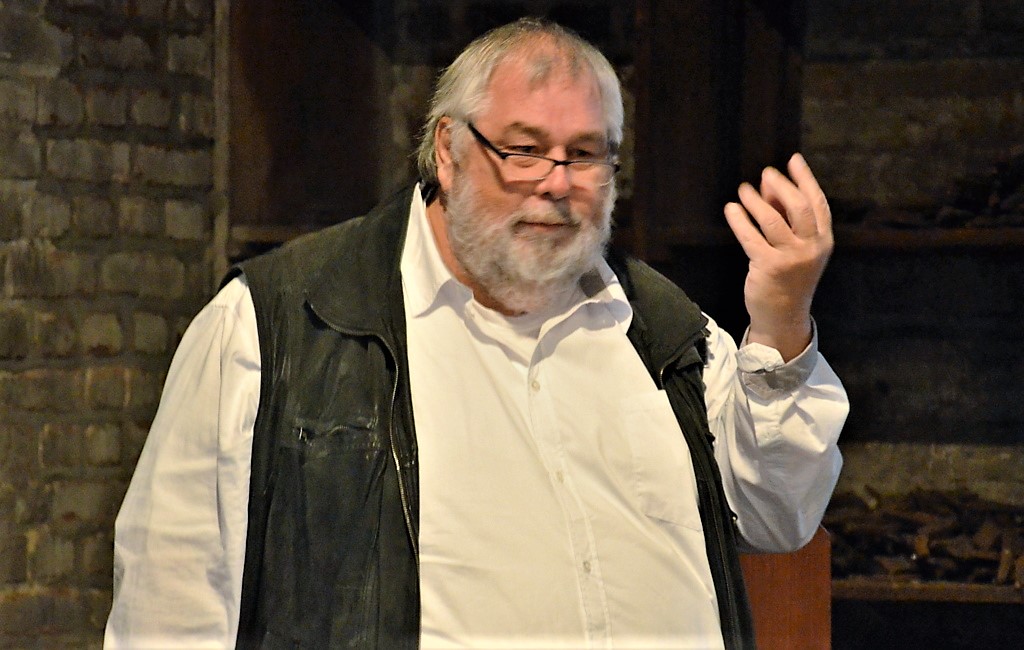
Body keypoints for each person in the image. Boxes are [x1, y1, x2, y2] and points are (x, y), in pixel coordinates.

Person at [105, 17, 847, 650]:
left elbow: (779, 518)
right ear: (448, 150)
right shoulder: (276, 326)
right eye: (524, 149)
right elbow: (171, 605)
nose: (557, 183)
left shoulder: (661, 330)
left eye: (585, 154)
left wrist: (781, 319)